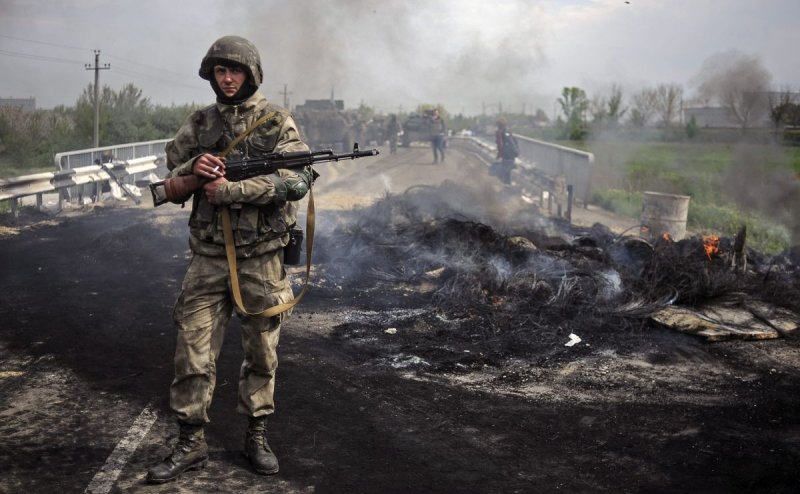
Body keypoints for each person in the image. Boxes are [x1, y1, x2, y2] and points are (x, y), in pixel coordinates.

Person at [146, 35, 315, 484]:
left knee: (262, 352)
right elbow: (171, 174)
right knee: (192, 352)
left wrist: (235, 190)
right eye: (220, 71)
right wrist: (194, 171)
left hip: (261, 259)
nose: (227, 78)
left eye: (235, 70)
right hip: (208, 258)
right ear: (211, 75)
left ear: (251, 74)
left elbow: (298, 180)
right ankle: (190, 442)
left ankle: (256, 436)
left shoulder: (277, 122)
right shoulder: (199, 123)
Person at [494, 118, 519, 185]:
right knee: (507, 171)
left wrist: (499, 156)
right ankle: (508, 185)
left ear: (498, 125)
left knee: (501, 171)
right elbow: (515, 142)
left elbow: (500, 145)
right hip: (512, 154)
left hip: (506, 154)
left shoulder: (499, 132)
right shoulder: (509, 132)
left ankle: (504, 185)